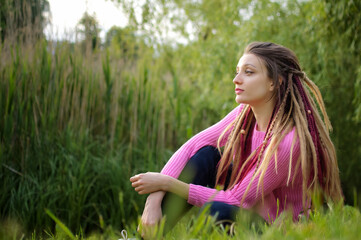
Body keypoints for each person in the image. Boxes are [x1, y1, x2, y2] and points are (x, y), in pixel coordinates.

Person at [130, 42, 343, 237]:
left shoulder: (289, 141)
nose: (236, 79)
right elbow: (193, 145)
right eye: (237, 71)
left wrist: (167, 182)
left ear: (274, 82)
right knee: (206, 156)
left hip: (278, 230)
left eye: (248, 72)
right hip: (252, 207)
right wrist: (153, 200)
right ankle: (147, 236)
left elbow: (235, 200)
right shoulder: (245, 112)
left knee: (217, 210)